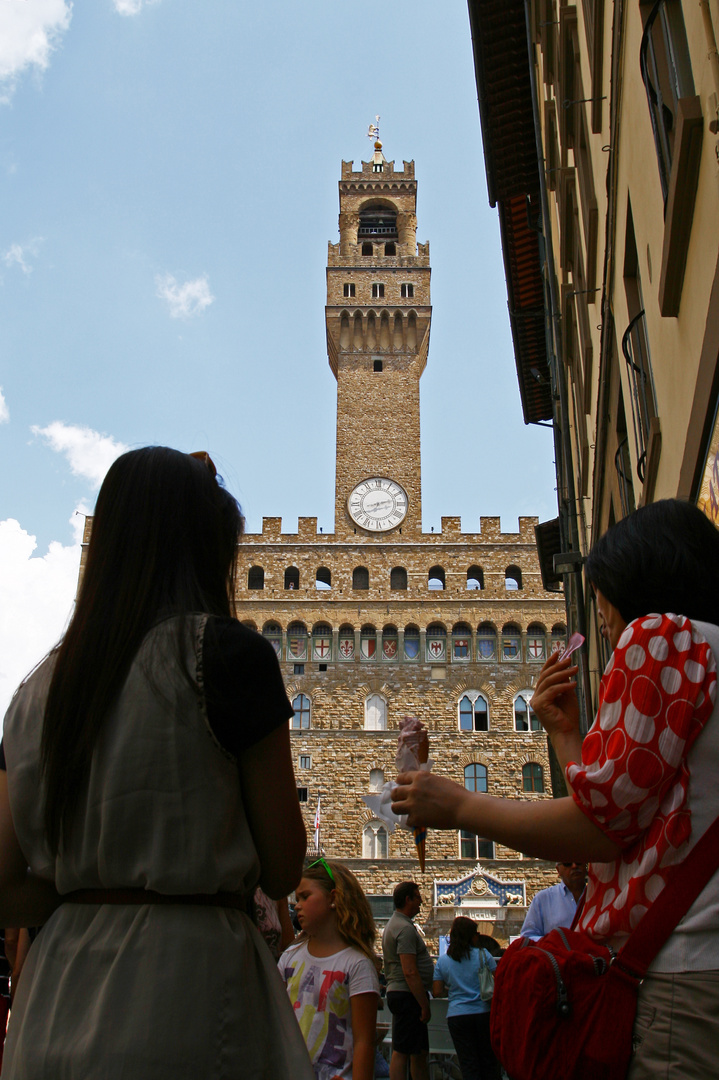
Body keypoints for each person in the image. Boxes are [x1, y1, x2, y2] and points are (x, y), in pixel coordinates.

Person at [0, 446, 314, 1079]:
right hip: (191, 983)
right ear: (207, 547)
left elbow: (4, 885)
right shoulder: (227, 657)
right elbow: (282, 865)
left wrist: (87, 896)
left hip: (55, 997)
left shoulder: (34, 692)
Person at [392, 500, 719, 1079]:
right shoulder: (706, 654)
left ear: (637, 582)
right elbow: (632, 805)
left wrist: (459, 805)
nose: (606, 627)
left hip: (681, 968)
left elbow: (601, 830)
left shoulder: (659, 636)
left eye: (603, 605)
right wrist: (568, 735)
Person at [278, 858, 379, 1080]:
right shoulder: (289, 958)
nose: (297, 905)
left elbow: (364, 1041)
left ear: (333, 898)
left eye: (305, 897)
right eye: (297, 899)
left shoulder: (357, 965)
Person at [432, 917, 499, 1080]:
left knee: (468, 1064)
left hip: (458, 1015)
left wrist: (454, 989)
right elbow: (499, 979)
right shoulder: (484, 955)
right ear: (471, 936)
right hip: (483, 1013)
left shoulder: (443, 961)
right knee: (489, 1061)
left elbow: (437, 991)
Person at [382, 881, 433, 1080]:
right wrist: (423, 1003)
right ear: (407, 899)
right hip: (407, 995)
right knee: (403, 1050)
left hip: (404, 994)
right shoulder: (404, 929)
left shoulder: (397, 925)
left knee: (417, 1050)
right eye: (417, 897)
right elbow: (410, 970)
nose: (421, 901)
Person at [519, 861, 587, 940]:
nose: (574, 866)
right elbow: (527, 937)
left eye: (579, 861)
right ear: (558, 870)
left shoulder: (599, 896)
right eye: (567, 863)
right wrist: (552, 943)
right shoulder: (543, 899)